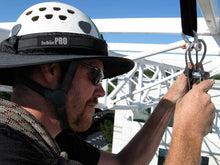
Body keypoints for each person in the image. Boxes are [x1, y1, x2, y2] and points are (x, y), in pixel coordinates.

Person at [0, 2, 215, 165]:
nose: (101, 91)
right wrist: (188, 133)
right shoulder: (9, 152)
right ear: (52, 70)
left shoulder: (52, 139)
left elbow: (125, 163)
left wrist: (170, 100)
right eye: (94, 76)